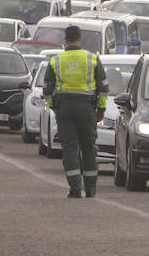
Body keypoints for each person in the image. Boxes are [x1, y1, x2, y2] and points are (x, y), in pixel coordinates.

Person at [43, 25, 108, 198]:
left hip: (64, 108)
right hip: (86, 108)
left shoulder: (56, 60)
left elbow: (47, 90)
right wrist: (101, 109)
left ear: (65, 40)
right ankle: (91, 190)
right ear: (80, 39)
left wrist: (54, 107)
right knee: (89, 147)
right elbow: (103, 88)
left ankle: (75, 189)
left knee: (70, 148)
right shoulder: (92, 59)